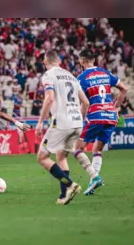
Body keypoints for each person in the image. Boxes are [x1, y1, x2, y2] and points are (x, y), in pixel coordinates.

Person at [35, 50, 93, 205]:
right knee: (61, 156)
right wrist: (79, 119)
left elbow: (49, 98)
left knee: (42, 157)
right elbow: (86, 103)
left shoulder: (49, 75)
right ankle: (63, 195)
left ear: (45, 62)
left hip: (61, 122)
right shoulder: (71, 76)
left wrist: (40, 122)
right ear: (59, 61)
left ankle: (70, 184)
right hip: (77, 123)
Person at [75, 49, 127, 195]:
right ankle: (93, 183)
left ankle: (94, 177)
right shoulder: (105, 73)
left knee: (77, 148)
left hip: (96, 115)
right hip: (111, 116)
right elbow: (124, 89)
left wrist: (79, 120)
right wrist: (116, 107)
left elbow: (84, 103)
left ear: (82, 61)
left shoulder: (81, 78)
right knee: (97, 150)